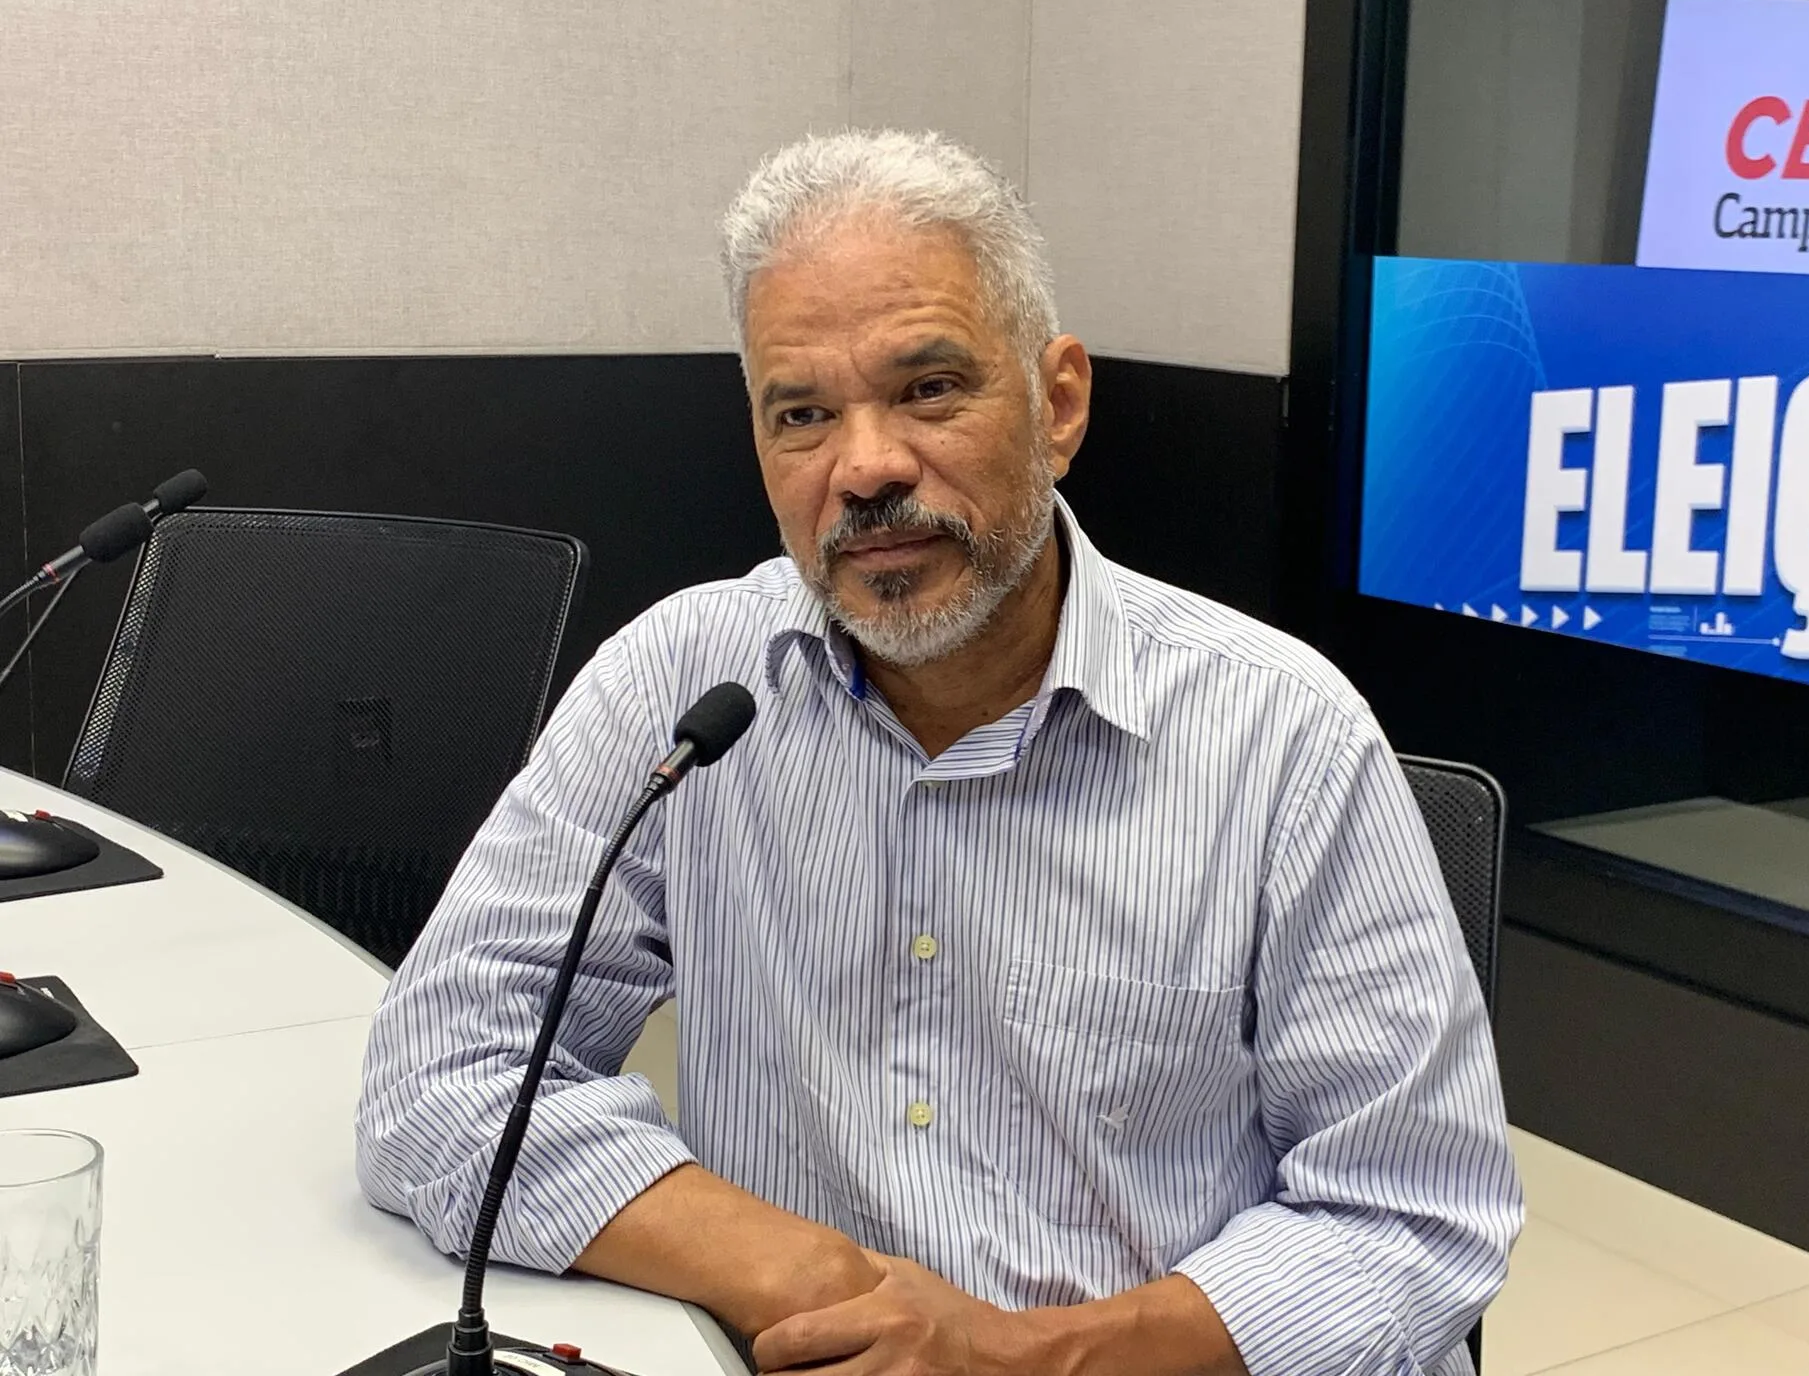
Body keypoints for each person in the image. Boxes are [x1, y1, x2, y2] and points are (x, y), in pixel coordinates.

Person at [357, 129, 1522, 1376]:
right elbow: (443, 1072)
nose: (864, 468)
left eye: (928, 389)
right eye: (802, 413)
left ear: (1058, 402)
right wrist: (817, 1281)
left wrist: (1011, 1359)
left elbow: (1408, 1219)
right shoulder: (685, 685)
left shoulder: (1283, 734)